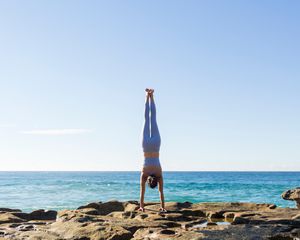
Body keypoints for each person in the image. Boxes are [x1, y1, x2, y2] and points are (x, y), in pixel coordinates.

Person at [139, 88, 167, 212]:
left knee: (153, 119)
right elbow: (142, 192)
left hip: (156, 145)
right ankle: (147, 96)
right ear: (148, 181)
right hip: (145, 146)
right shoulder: (144, 174)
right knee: (147, 120)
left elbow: (161, 193)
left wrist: (163, 207)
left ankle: (151, 96)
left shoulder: (159, 174)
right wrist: (141, 206)